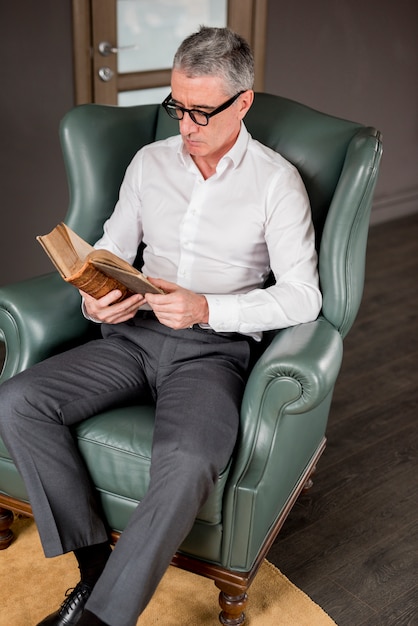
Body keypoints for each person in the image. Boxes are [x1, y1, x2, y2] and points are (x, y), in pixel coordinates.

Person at [0, 26, 322, 626]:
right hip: (130, 338)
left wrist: (208, 309)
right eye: (178, 107)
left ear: (243, 102)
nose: (187, 126)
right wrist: (97, 299)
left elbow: (304, 297)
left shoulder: (276, 183)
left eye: (202, 111)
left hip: (212, 353)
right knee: (17, 401)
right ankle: (95, 571)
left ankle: (101, 618)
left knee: (191, 456)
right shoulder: (150, 163)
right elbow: (112, 248)